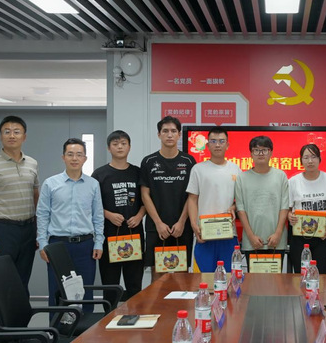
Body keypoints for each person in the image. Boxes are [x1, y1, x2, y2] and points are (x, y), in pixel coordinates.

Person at [0, 115, 39, 331]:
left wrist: (38, 229)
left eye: (16, 131)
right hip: (1, 231)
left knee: (21, 285)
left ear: (24, 136)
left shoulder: (32, 163)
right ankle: (0, 336)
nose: (12, 135)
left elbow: (35, 195)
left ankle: (19, 333)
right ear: (1, 136)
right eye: (7, 131)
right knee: (0, 285)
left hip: (28, 230)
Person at [37, 138, 104, 312]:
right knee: (57, 292)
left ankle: (85, 328)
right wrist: (43, 243)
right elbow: (42, 215)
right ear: (63, 157)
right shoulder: (50, 183)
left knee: (85, 292)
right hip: (57, 245)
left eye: (79, 154)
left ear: (85, 158)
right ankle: (56, 327)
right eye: (70, 154)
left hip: (85, 245)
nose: (74, 158)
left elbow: (98, 216)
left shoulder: (93, 184)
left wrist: (99, 242)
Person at [92, 130, 145, 302]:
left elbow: (147, 200)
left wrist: (139, 216)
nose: (120, 147)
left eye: (123, 143)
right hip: (109, 236)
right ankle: (109, 316)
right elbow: (92, 205)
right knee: (110, 284)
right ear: (109, 148)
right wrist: (108, 214)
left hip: (134, 234)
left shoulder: (138, 172)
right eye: (115, 144)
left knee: (134, 285)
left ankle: (135, 316)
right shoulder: (99, 174)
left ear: (129, 147)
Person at [140, 116, 196, 281]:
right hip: (156, 228)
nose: (169, 135)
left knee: (181, 275)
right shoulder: (148, 161)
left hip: (182, 228)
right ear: (159, 134)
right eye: (165, 131)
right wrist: (158, 223)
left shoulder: (189, 161)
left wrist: (182, 222)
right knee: (157, 275)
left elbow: (192, 195)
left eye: (173, 131)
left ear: (179, 134)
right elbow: (145, 194)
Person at [187, 126, 242, 272]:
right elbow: (192, 199)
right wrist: (194, 225)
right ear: (207, 145)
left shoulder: (236, 169)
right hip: (205, 234)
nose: (217, 145)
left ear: (227, 145)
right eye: (213, 141)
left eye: (221, 141)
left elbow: (241, 200)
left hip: (229, 234)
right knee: (204, 278)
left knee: (229, 278)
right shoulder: (198, 169)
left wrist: (234, 207)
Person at [288, 144, 326, 274]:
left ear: (319, 159)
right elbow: (287, 209)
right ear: (301, 161)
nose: (310, 161)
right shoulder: (293, 181)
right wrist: (290, 216)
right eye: (306, 157)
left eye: (313, 157)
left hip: (324, 236)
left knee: (321, 275)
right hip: (299, 237)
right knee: (301, 275)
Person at [235, 136, 289, 264]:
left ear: (271, 152)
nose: (260, 153)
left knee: (276, 277)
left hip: (276, 241)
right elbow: (240, 210)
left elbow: (284, 207)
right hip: (252, 242)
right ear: (251, 154)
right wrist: (251, 236)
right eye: (256, 150)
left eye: (264, 150)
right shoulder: (242, 178)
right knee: (254, 277)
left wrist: (278, 234)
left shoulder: (280, 176)